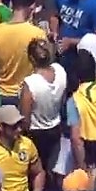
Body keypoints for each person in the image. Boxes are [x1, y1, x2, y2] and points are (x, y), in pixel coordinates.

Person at [0, 0, 46, 105]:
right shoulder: (38, 34)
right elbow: (43, 66)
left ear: (11, 5)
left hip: (1, 94)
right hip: (27, 94)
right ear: (32, 7)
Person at [18, 38, 68, 171]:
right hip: (56, 128)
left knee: (37, 170)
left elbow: (25, 117)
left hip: (36, 134)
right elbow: (63, 99)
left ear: (31, 59)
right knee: (51, 167)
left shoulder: (31, 83)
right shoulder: (60, 71)